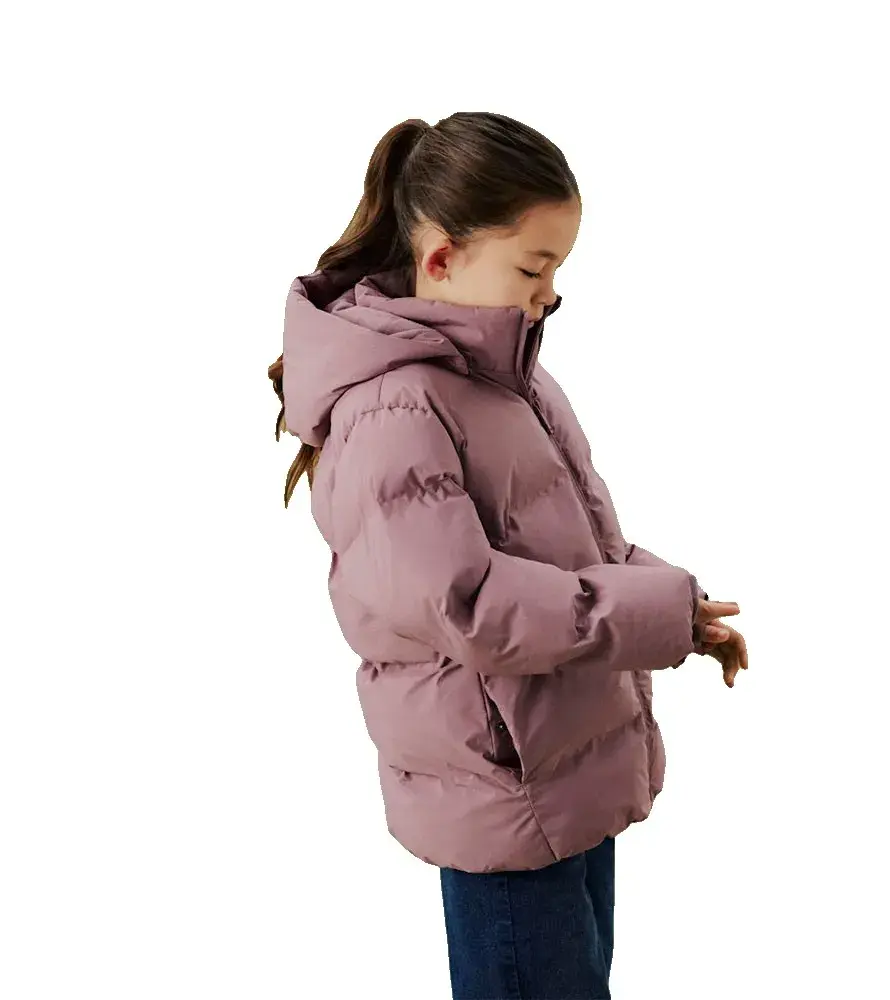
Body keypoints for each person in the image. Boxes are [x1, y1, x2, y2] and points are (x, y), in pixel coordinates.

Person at [268, 112, 748, 1000]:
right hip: (503, 785)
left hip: (563, 762)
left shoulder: (509, 377)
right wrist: (649, 615)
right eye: (532, 269)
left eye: (558, 269)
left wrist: (680, 612)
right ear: (442, 257)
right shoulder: (394, 406)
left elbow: (580, 548)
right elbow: (469, 604)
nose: (549, 294)